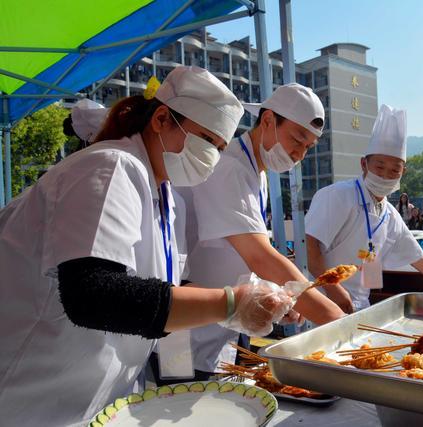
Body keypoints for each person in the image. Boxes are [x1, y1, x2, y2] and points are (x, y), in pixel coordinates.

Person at [0, 66, 293, 426]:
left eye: (219, 148)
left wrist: (258, 299)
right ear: (160, 120)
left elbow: (159, 287)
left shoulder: (164, 198)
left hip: (91, 401)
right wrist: (231, 303)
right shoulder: (110, 167)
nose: (212, 158)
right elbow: (92, 294)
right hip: (30, 400)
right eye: (205, 140)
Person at [181, 83, 345, 376]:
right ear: (268, 120)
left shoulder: (257, 172)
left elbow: (244, 255)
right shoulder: (230, 167)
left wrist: (283, 298)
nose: (299, 155)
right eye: (297, 139)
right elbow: (260, 256)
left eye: (308, 147)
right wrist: (337, 320)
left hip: (222, 332)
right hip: (187, 336)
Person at [305, 104, 423, 312]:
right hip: (322, 301)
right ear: (364, 164)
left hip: (359, 306)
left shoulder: (390, 214)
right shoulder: (337, 195)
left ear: (403, 173)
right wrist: (334, 290)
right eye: (379, 167)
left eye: (394, 171)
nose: (385, 176)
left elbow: (419, 258)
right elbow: (310, 247)